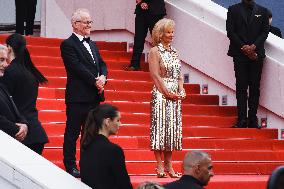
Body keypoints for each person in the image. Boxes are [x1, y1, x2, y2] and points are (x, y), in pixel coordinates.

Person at [60, 8, 108, 178]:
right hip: (78, 97)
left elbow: (102, 64)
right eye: (86, 22)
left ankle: (88, 164)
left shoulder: (92, 44)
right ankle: (70, 165)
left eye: (90, 22)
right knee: (72, 133)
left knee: (91, 134)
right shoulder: (67, 44)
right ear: (75, 24)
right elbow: (76, 67)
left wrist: (103, 77)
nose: (89, 25)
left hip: (94, 97)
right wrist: (95, 81)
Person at [148, 18, 186, 178]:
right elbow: (155, 75)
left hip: (175, 95)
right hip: (161, 93)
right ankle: (159, 166)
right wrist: (167, 92)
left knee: (171, 130)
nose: (171, 35)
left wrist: (182, 90)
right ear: (160, 34)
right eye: (168, 32)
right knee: (160, 129)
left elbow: (179, 76)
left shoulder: (175, 51)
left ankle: (169, 166)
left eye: (172, 32)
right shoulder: (154, 51)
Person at [0, 34, 48, 154]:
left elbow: (8, 106)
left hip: (21, 134)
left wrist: (19, 126)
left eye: (4, 60)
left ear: (9, 48)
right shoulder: (30, 72)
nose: (5, 64)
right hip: (34, 130)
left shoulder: (10, 72)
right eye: (1, 60)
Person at [226, 0, 270, 128]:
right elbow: (230, 32)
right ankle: (241, 119)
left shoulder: (263, 11)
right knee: (241, 86)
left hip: (256, 56)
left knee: (255, 87)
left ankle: (252, 119)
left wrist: (254, 47)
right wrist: (244, 47)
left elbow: (264, 32)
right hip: (239, 54)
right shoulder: (233, 9)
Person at [80, 104, 132, 189]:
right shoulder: (114, 150)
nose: (120, 124)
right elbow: (124, 184)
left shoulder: (86, 147)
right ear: (107, 122)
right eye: (118, 120)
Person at [125, 0, 166, 71]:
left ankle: (160, 66)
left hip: (156, 9)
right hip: (141, 11)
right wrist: (141, 2)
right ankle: (134, 64)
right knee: (138, 37)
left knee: (157, 39)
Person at [0, 44, 28, 142]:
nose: (6, 64)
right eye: (1, 60)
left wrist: (24, 124)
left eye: (6, 60)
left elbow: (15, 110)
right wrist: (16, 129)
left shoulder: (2, 86)